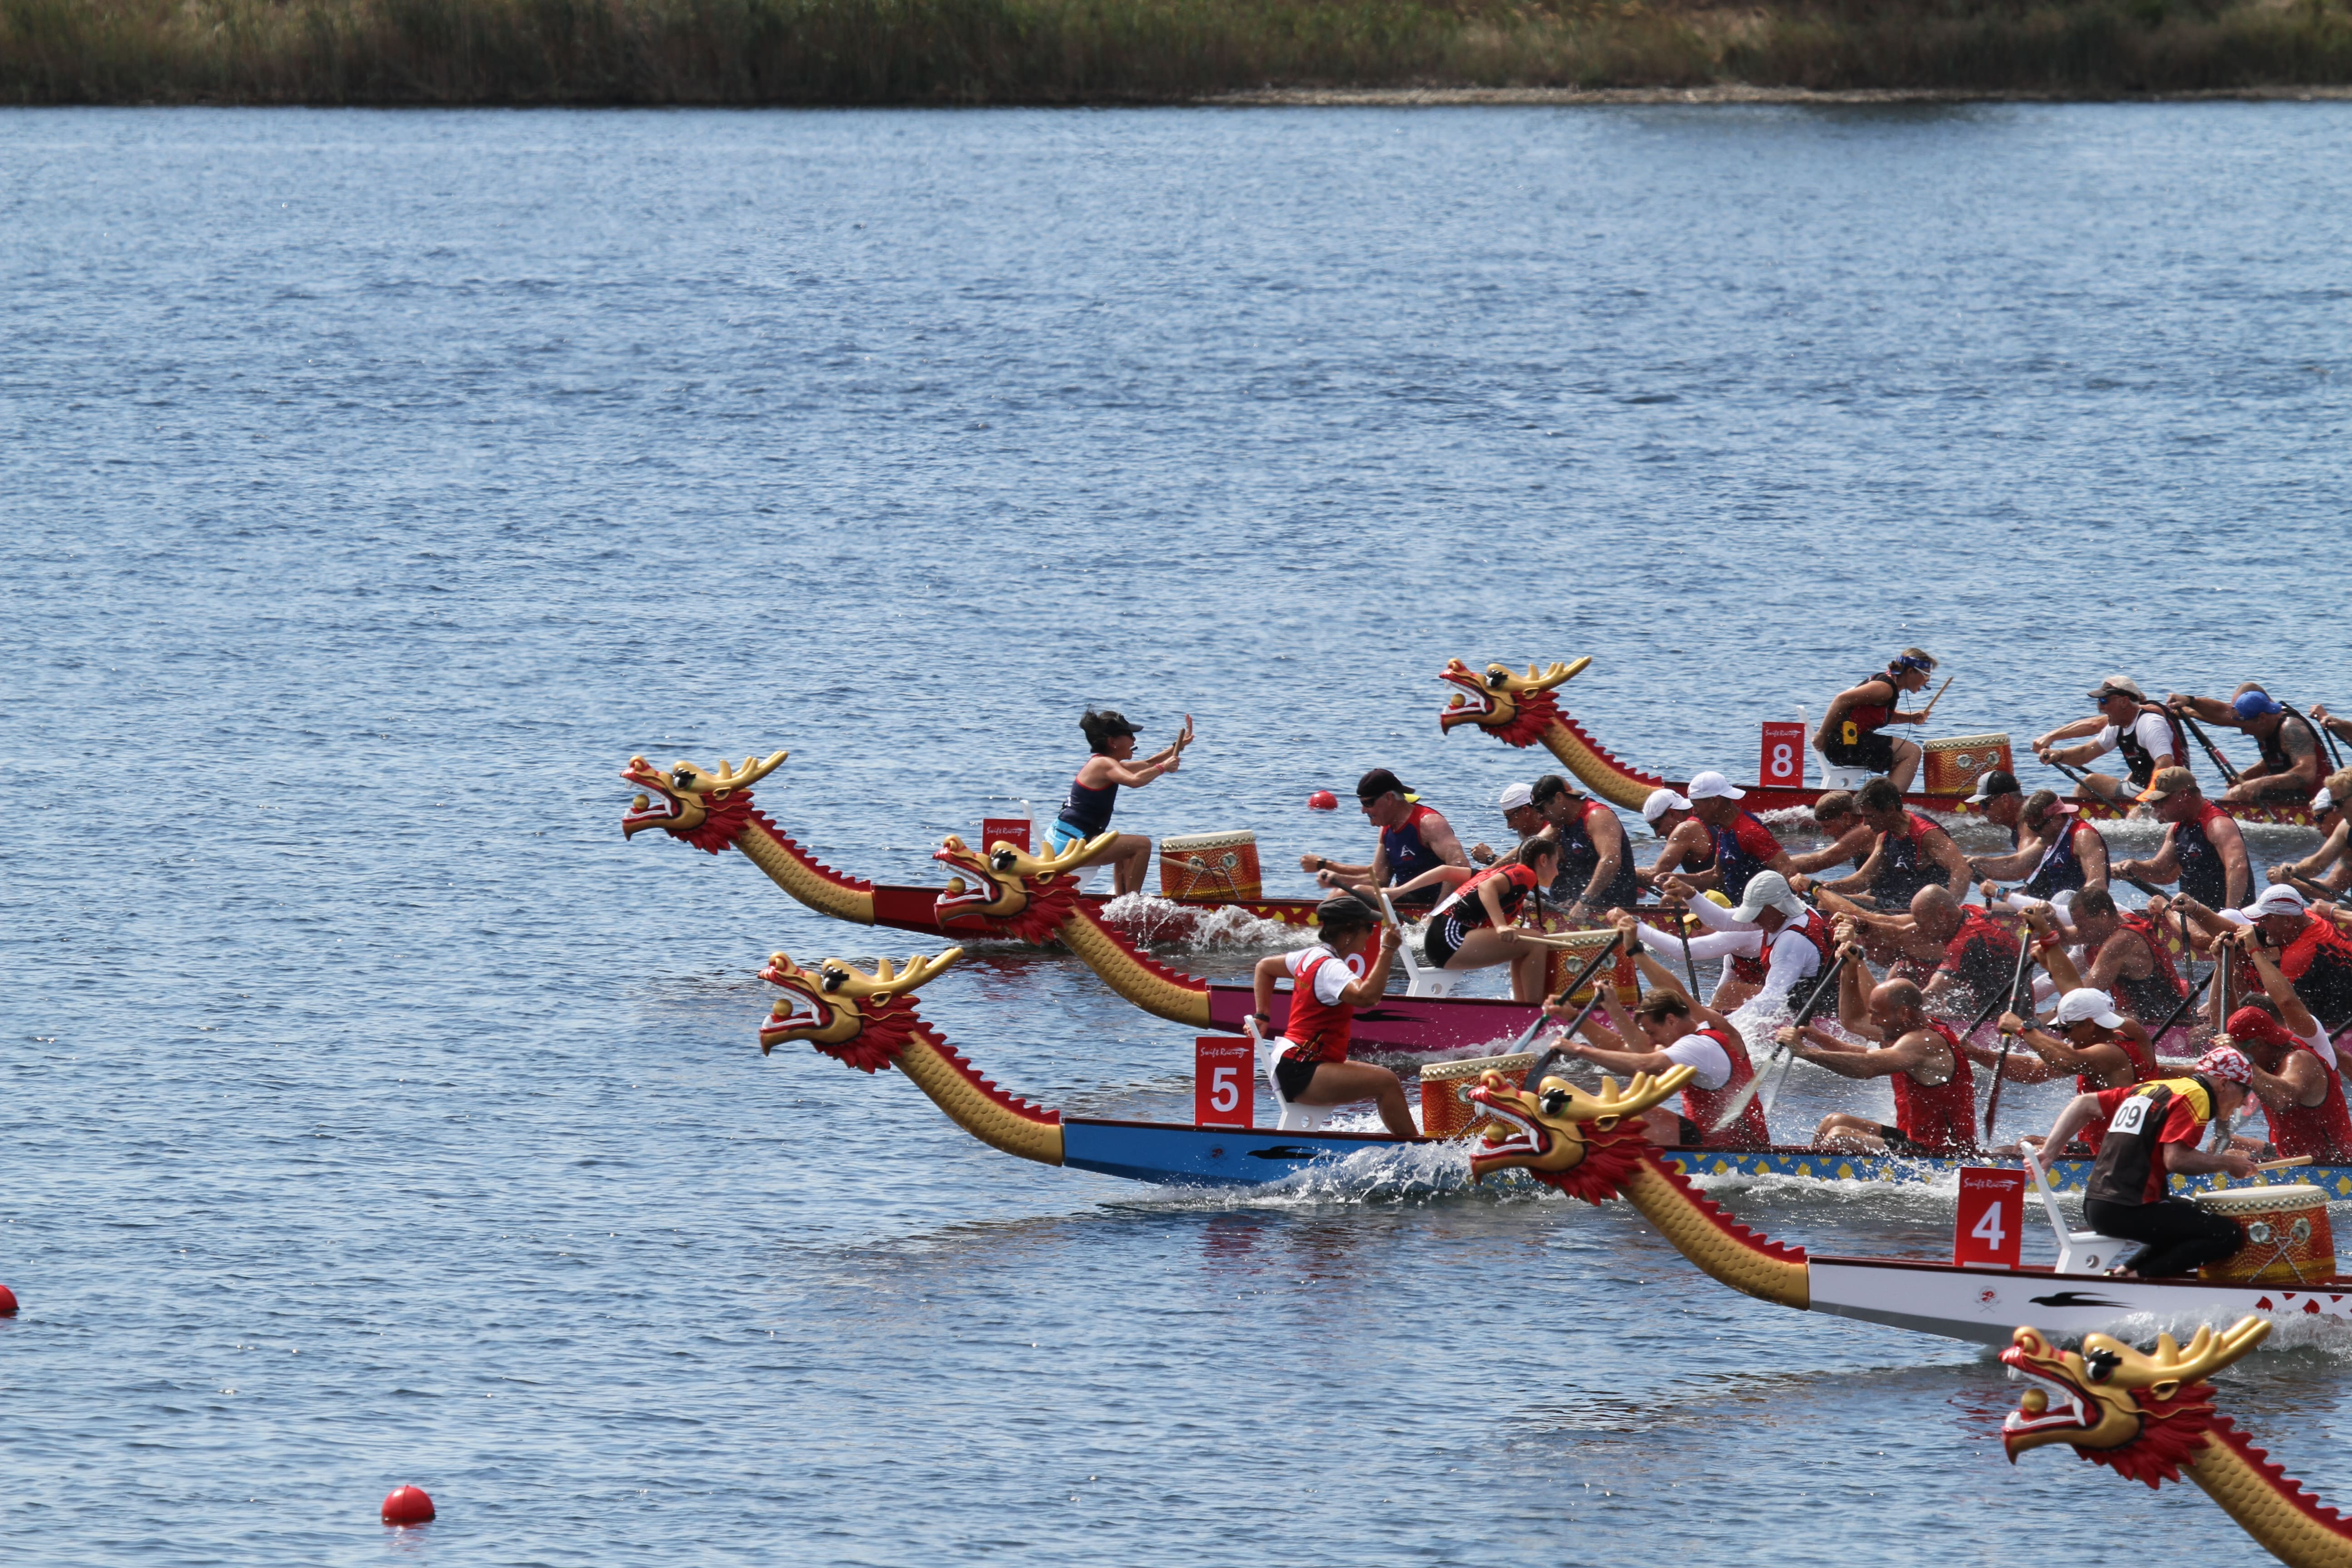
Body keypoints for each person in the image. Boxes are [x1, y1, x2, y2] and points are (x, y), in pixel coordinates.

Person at [2038, 1047, 2259, 1278]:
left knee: (2192, 1213)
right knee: (2228, 1235)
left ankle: (2127, 1272)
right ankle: (2136, 1282)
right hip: (2129, 1208)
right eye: (2245, 1092)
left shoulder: (2156, 1088)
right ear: (2224, 1084)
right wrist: (2228, 1163)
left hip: (2099, 1204)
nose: (2245, 1103)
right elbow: (2177, 1160)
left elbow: (2083, 1104)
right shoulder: (2197, 1096)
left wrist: (2049, 1153)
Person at [1553, 941, 1771, 1149]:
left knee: (1635, 1116)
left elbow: (1645, 1065)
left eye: (1652, 1033)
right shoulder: (1707, 1031)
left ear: (1671, 1020)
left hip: (1733, 1152)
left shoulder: (1697, 1047)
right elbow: (1623, 1048)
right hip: (1724, 1142)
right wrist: (1577, 1017)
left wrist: (1578, 1050)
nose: (1651, 1041)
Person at [1250, 896, 1416, 1138]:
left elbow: (1264, 967)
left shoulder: (1309, 956)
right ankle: (1416, 1146)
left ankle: (1408, 1140)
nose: (1371, 934)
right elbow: (1367, 998)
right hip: (1302, 1071)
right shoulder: (1331, 968)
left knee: (1383, 1077)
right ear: (1349, 931)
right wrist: (1388, 949)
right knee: (1387, 1082)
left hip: (1293, 1061)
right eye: (1369, 928)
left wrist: (1262, 1015)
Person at [1780, 957, 1978, 1156]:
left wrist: (1805, 1053)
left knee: (1839, 1137)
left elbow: (1868, 1067)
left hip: (1942, 1152)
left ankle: (1817, 1177)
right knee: (1834, 1122)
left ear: (1903, 1013)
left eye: (1877, 1014)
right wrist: (1820, 1039)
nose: (1873, 1022)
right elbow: (1868, 1054)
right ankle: (1809, 1169)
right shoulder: (1916, 1030)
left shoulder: (1923, 1042)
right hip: (1913, 1138)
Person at [2216, 924, 2352, 1161]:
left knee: (2227, 1162)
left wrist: (2255, 951)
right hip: (2292, 1154)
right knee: (2221, 1147)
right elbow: (2226, 1020)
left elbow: (2282, 1100)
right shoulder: (2266, 1046)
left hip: (2330, 1162)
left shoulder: (2303, 1049)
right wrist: (2222, 964)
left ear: (2259, 1042)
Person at [1987, 988, 2156, 1156]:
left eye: (2066, 1029)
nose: (2062, 1037)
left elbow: (2067, 1061)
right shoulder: (2114, 1037)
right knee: (2024, 1143)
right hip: (2105, 1145)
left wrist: (2022, 1030)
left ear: (2090, 1024)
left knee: (2007, 1153)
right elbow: (2033, 1069)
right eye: (2058, 1029)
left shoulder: (2108, 1053)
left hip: (2117, 1153)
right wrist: (1975, 1054)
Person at [1637, 869, 1832, 1014]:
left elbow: (1772, 1000)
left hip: (1817, 1012)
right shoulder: (1782, 914)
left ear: (1777, 906)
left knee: (1730, 992)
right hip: (1797, 1001)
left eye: (1756, 913)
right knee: (1726, 993)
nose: (1752, 920)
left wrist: (1723, 1027)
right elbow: (1722, 920)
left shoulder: (1792, 940)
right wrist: (1690, 894)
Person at [1392, 838, 1561, 1003]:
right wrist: (1501, 926)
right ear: (1543, 860)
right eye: (1556, 864)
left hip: (1438, 940)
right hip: (1450, 942)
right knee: (1538, 942)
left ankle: (1522, 1007)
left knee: (1522, 945)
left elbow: (1445, 871)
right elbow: (1486, 887)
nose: (1557, 873)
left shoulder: (1495, 872)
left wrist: (1400, 891)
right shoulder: (1526, 873)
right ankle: (1534, 1011)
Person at [1045, 708, 1193, 893]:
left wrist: (1179, 746)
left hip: (1070, 839)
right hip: (1072, 843)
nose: (1134, 740)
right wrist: (1163, 768)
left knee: (1126, 845)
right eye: (1130, 735)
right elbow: (1136, 781)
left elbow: (1148, 764)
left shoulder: (1108, 764)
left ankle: (1122, 901)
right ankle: (1131, 907)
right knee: (1142, 845)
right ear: (1112, 742)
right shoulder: (1103, 765)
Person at [1304, 768, 1467, 914]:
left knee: (1347, 895)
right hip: (1406, 898)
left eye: (1368, 803)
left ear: (1389, 798)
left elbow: (1460, 866)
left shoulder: (1429, 823)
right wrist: (1339, 879)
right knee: (1341, 894)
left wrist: (1437, 914)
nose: (1363, 810)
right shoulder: (1386, 829)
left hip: (1433, 903)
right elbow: (1379, 879)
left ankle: (1321, 933)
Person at [2031, 676, 2185, 805]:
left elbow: (2165, 765)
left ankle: (2075, 827)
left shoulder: (2149, 723)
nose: (2100, 707)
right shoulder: (2118, 726)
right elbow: (2085, 754)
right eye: (2098, 702)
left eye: (2104, 701)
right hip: (2147, 793)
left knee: (2092, 782)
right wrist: (2058, 755)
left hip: (2171, 798)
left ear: (2124, 702)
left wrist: (2147, 803)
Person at [2112, 767, 2250, 911]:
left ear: (2183, 795)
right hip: (2197, 915)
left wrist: (2230, 915)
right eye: (2153, 803)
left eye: (2160, 801)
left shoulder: (2218, 824)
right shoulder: (2177, 829)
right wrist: (2133, 866)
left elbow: (2239, 868)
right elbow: (2162, 872)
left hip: (2226, 918)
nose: (2154, 807)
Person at [2165, 685, 2326, 807]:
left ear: (2262, 718)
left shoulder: (2292, 728)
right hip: (2291, 792)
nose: (2243, 733)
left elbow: (2306, 773)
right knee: (2240, 789)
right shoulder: (2262, 720)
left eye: (2244, 728)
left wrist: (2260, 783)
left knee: (2236, 794)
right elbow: (2223, 713)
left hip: (2316, 799)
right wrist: (2190, 703)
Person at [1822, 777, 1970, 909]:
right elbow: (1865, 878)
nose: (1866, 823)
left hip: (1918, 910)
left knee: (1828, 902)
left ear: (1891, 809)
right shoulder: (1885, 834)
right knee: (1825, 898)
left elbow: (1962, 870)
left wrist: (1951, 911)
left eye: (1870, 816)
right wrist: (1829, 887)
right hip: (1892, 904)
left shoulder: (1926, 833)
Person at [2050, 887, 2188, 1028]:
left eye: (2083, 926)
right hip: (2146, 1017)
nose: (2081, 933)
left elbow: (2081, 999)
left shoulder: (2121, 941)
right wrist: (2050, 919)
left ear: (2103, 915)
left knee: (2086, 1013)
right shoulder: (2121, 919)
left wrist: (2038, 1024)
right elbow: (2065, 937)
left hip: (2159, 1022)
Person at [1813, 647, 1937, 792]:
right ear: (1910, 672)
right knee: (1912, 752)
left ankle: (1885, 800)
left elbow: (1876, 715)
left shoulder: (1889, 686)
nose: (1927, 680)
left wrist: (1910, 718)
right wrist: (1822, 734)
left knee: (1902, 754)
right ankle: (1891, 805)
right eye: (1926, 675)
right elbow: (1841, 700)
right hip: (1844, 744)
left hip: (1847, 742)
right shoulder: (1884, 688)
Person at [1530, 773, 1637, 923]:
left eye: (1541, 809)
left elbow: (1611, 860)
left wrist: (1584, 901)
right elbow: (1529, 848)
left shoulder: (1597, 816)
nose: (1540, 817)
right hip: (1580, 905)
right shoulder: (1561, 823)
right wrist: (1494, 868)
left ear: (1559, 798)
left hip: (1612, 909)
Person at [1966, 789, 2109, 900]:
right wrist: (1979, 863)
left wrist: (2075, 910)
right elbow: (2017, 864)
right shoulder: (2048, 838)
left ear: (2058, 819)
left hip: (2071, 911)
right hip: (2052, 908)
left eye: (2037, 827)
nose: (2036, 834)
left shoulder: (2083, 836)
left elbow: (2098, 884)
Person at [1681, 771, 1796, 907]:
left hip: (1760, 915)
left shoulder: (1750, 831)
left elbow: (1788, 870)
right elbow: (1716, 877)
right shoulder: (1725, 829)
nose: (1694, 812)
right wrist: (1675, 880)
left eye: (1696, 805)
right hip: (1740, 911)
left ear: (1715, 802)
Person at [2269, 769, 2352, 898]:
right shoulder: (2346, 828)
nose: (2336, 810)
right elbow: (2318, 863)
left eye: (2338, 803)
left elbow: (2332, 894)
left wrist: (2333, 912)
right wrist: (2292, 872)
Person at [1785, 791, 1878, 879]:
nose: (1825, 834)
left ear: (1846, 818)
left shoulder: (1865, 831)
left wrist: (1776, 863)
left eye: (1827, 826)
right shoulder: (1867, 829)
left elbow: (1818, 862)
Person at [1636, 788, 1710, 888]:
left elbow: (1654, 875)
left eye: (1656, 826)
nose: (1658, 835)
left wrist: (1618, 870)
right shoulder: (1705, 819)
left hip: (1723, 898)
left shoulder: (1686, 829)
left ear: (1672, 813)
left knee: (1668, 900)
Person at [1467, 781, 1548, 867]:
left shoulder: (1551, 832)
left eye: (1509, 818)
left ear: (1526, 811)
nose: (1509, 826)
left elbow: (1521, 873)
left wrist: (1491, 858)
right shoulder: (1543, 834)